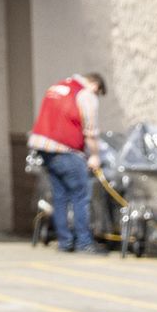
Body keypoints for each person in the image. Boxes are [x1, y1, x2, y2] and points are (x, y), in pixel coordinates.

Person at [29, 71, 107, 252]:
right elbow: (90, 130)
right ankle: (84, 242)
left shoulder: (57, 87)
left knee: (60, 196)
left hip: (45, 148)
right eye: (98, 93)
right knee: (81, 195)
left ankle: (65, 242)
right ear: (95, 86)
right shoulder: (86, 94)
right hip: (66, 150)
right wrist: (95, 155)